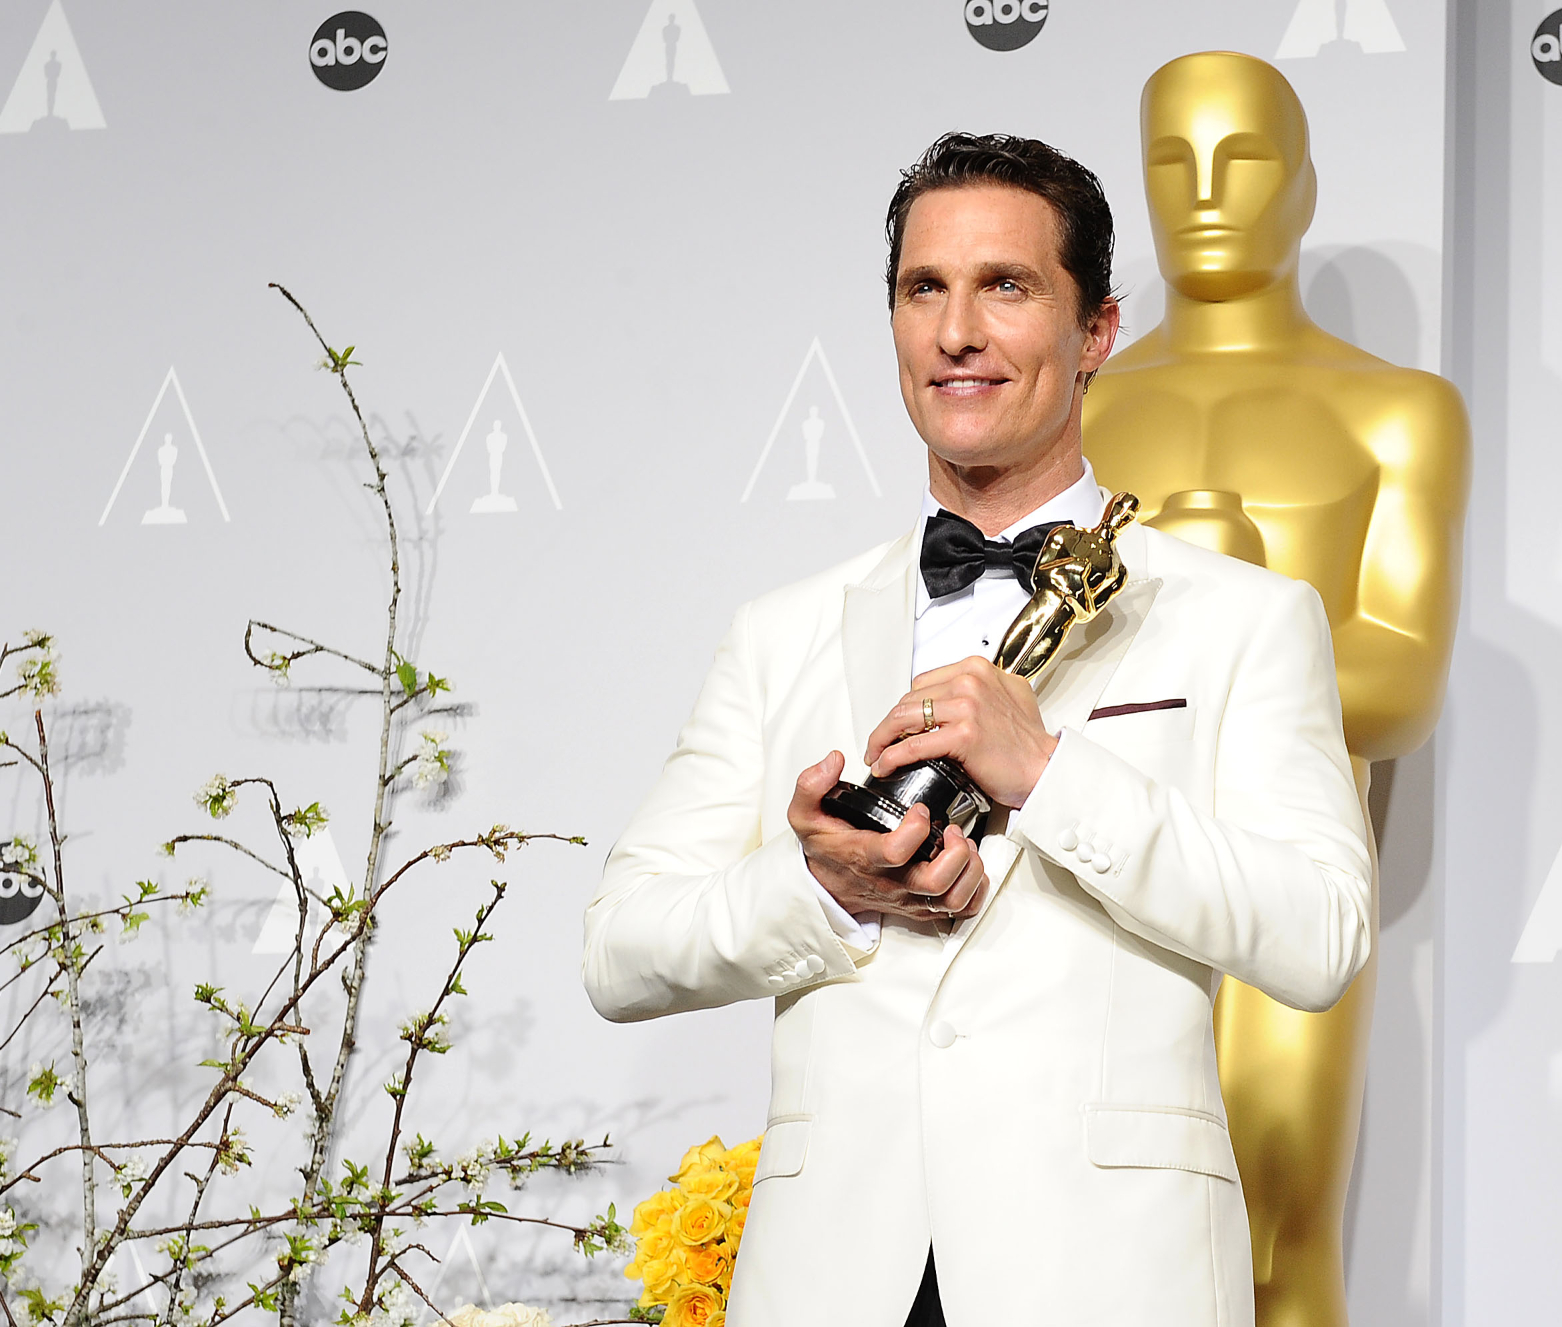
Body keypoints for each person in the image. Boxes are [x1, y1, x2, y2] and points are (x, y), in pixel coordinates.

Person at [582, 132, 1374, 1327]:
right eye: (923, 289)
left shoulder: (1241, 619)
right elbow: (621, 949)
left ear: (1094, 330)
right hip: (834, 1279)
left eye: (1005, 286)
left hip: (1106, 1275)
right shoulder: (779, 630)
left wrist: (1051, 778)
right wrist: (828, 887)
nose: (957, 331)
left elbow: (1319, 932)